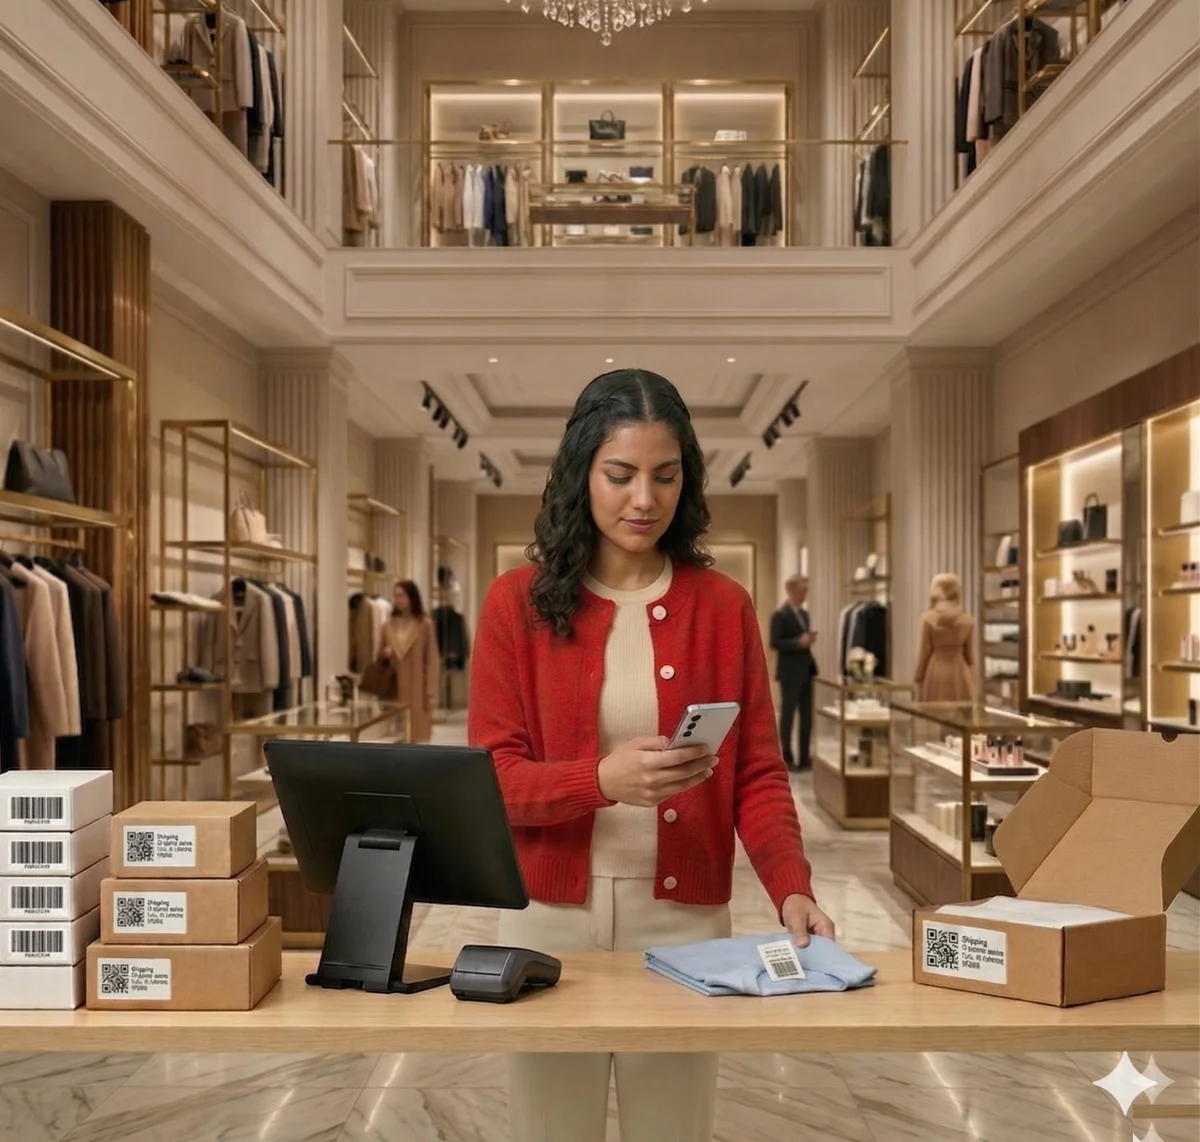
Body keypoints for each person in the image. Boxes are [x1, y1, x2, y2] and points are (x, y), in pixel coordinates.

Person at [469, 368, 833, 1142]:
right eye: (621, 475)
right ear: (581, 475)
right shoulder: (517, 604)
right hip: (546, 922)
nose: (644, 499)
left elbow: (759, 774)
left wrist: (791, 886)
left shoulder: (723, 606)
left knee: (673, 1128)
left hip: (685, 921)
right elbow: (491, 781)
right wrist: (601, 780)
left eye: (665, 476)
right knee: (549, 1130)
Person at [377, 579, 438, 742]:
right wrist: (385, 653)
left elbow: (432, 660)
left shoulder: (424, 624)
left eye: (401, 595)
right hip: (394, 685)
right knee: (396, 733)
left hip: (417, 686)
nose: (398, 600)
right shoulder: (388, 625)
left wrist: (430, 691)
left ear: (412, 597)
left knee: (416, 733)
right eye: (395, 596)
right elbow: (378, 656)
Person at [770, 575, 818, 771]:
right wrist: (798, 642)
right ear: (791, 591)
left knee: (807, 716)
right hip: (790, 672)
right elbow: (775, 642)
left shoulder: (804, 615)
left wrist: (808, 641)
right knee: (788, 715)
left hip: (806, 669)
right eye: (802, 590)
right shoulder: (780, 615)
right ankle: (787, 757)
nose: (805, 594)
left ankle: (805, 757)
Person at [913, 572, 976, 703]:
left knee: (935, 715)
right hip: (960, 672)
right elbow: (969, 657)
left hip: (935, 671)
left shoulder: (928, 619)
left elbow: (923, 653)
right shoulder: (967, 620)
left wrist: (918, 677)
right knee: (960, 718)